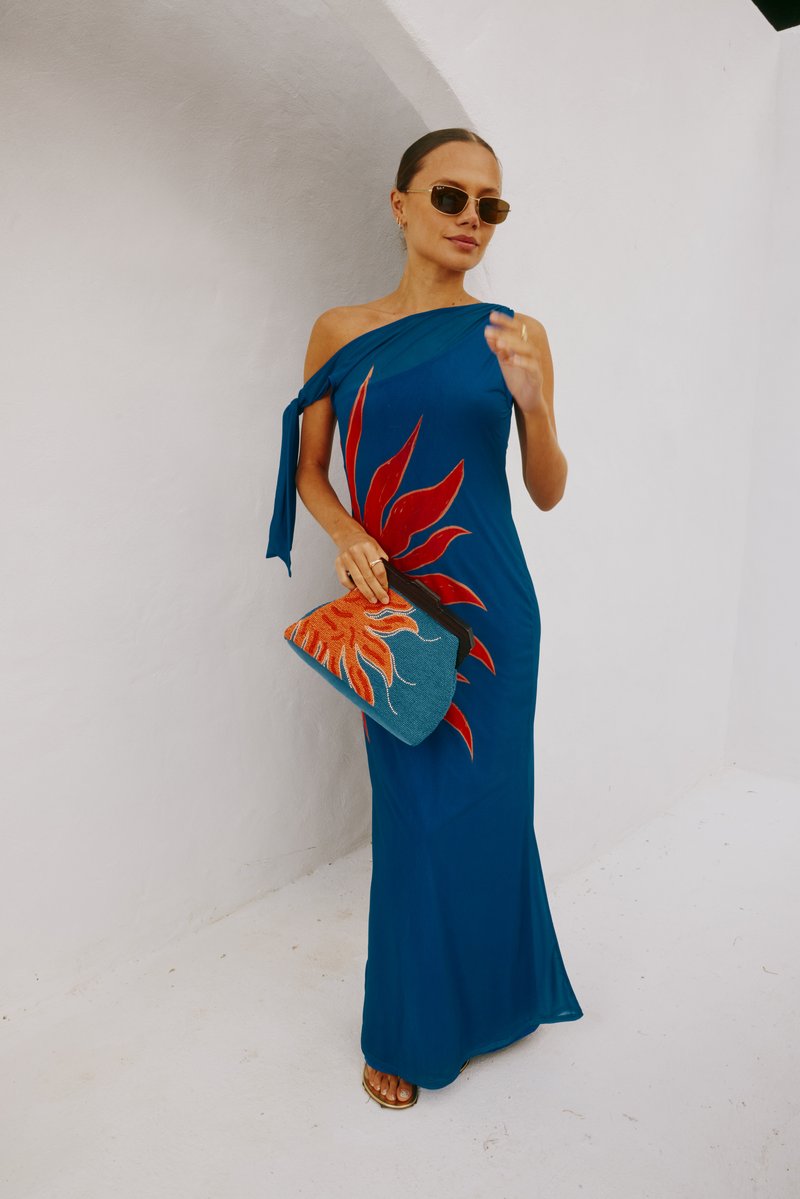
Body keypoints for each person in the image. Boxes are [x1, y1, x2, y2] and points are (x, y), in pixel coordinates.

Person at [266, 127, 583, 1109]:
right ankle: (409, 1027)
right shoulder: (339, 330)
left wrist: (535, 406)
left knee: (490, 811)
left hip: (496, 617)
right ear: (400, 203)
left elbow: (547, 490)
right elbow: (309, 468)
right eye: (450, 196)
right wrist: (345, 532)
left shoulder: (515, 333)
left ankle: (497, 1002)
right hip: (395, 614)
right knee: (412, 817)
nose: (470, 219)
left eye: (490, 205)